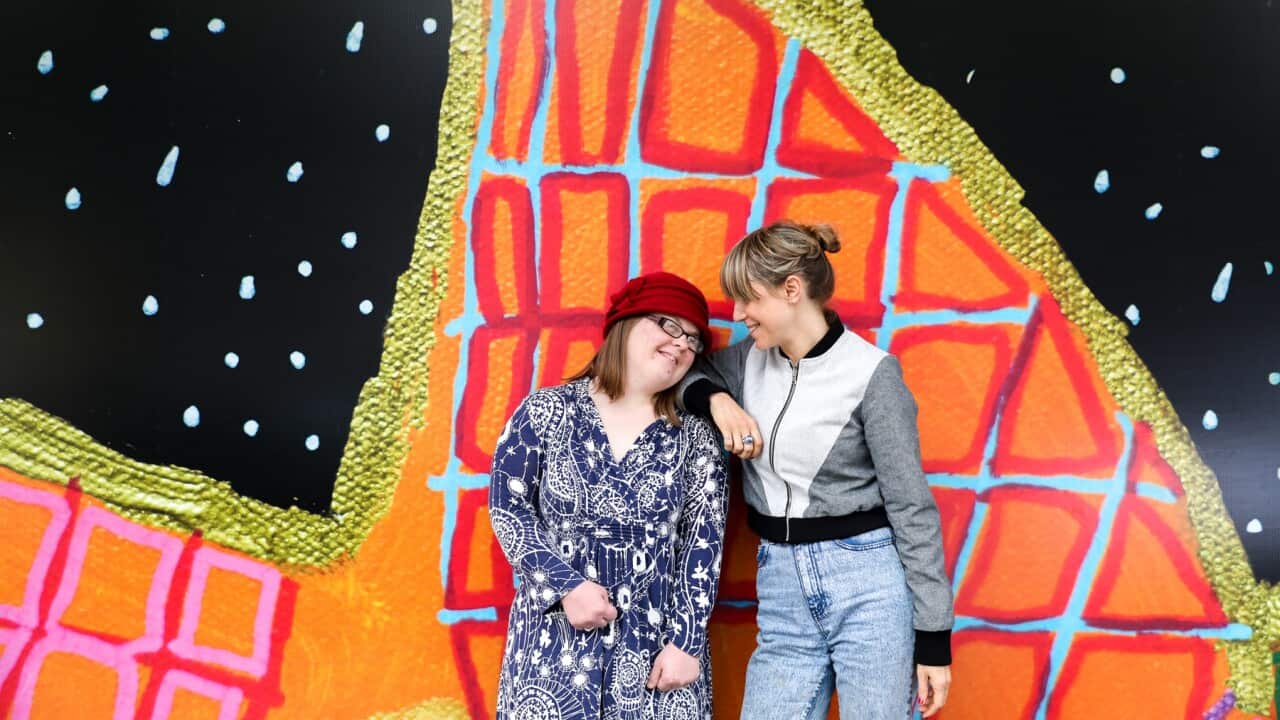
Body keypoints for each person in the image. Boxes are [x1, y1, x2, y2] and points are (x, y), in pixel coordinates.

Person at [680, 221, 954, 719]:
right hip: (781, 580)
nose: (738, 315)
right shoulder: (744, 363)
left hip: (868, 582)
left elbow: (911, 505)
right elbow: (682, 375)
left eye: (748, 299)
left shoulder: (872, 373)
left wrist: (933, 637)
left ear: (791, 290)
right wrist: (718, 400)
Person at [488, 271, 729, 719]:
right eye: (668, 325)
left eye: (694, 339)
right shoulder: (545, 412)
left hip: (659, 663)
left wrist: (687, 643)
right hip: (550, 653)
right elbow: (509, 508)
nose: (681, 344)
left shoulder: (696, 438)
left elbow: (704, 544)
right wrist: (564, 586)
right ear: (625, 323)